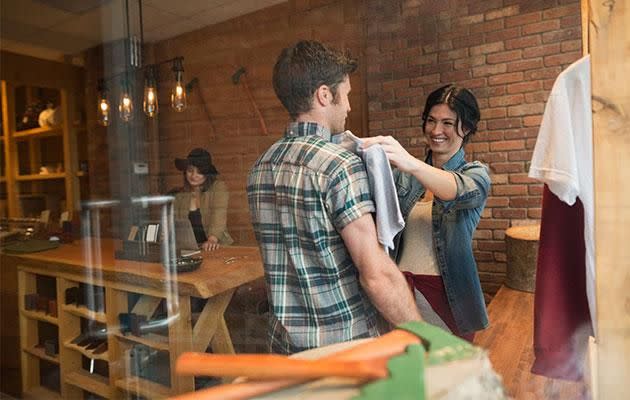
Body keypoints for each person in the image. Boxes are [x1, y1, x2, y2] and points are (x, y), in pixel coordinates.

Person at [247, 40, 421, 354]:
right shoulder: (340, 167)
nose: (350, 106)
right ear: (325, 95)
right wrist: (422, 338)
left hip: (285, 350)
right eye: (347, 95)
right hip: (342, 352)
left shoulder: (259, 168)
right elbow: (377, 275)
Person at [361, 84, 491, 341]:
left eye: (447, 123)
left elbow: (455, 189)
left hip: (449, 296)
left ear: (466, 128)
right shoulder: (403, 177)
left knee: (445, 374)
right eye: (431, 121)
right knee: (407, 373)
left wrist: (410, 162)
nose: (436, 130)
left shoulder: (475, 174)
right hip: (400, 293)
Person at [172, 148, 233, 251]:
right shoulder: (179, 196)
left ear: (207, 174)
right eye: (190, 170)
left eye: (199, 172)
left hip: (216, 247)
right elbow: (173, 225)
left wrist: (212, 239)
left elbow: (219, 214)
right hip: (188, 250)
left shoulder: (218, 187)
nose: (194, 176)